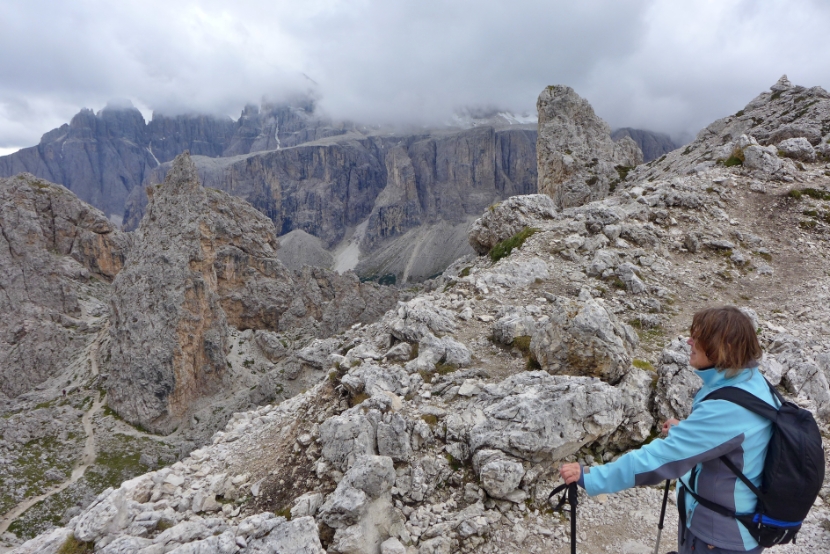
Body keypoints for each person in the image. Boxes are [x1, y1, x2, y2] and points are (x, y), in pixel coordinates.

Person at [559, 306, 776, 553]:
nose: (689, 341)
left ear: (720, 348)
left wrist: (592, 477)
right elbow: (730, 441)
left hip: (719, 538)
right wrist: (685, 431)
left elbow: (659, 459)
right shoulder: (752, 383)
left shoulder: (728, 409)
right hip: (732, 527)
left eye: (699, 338)